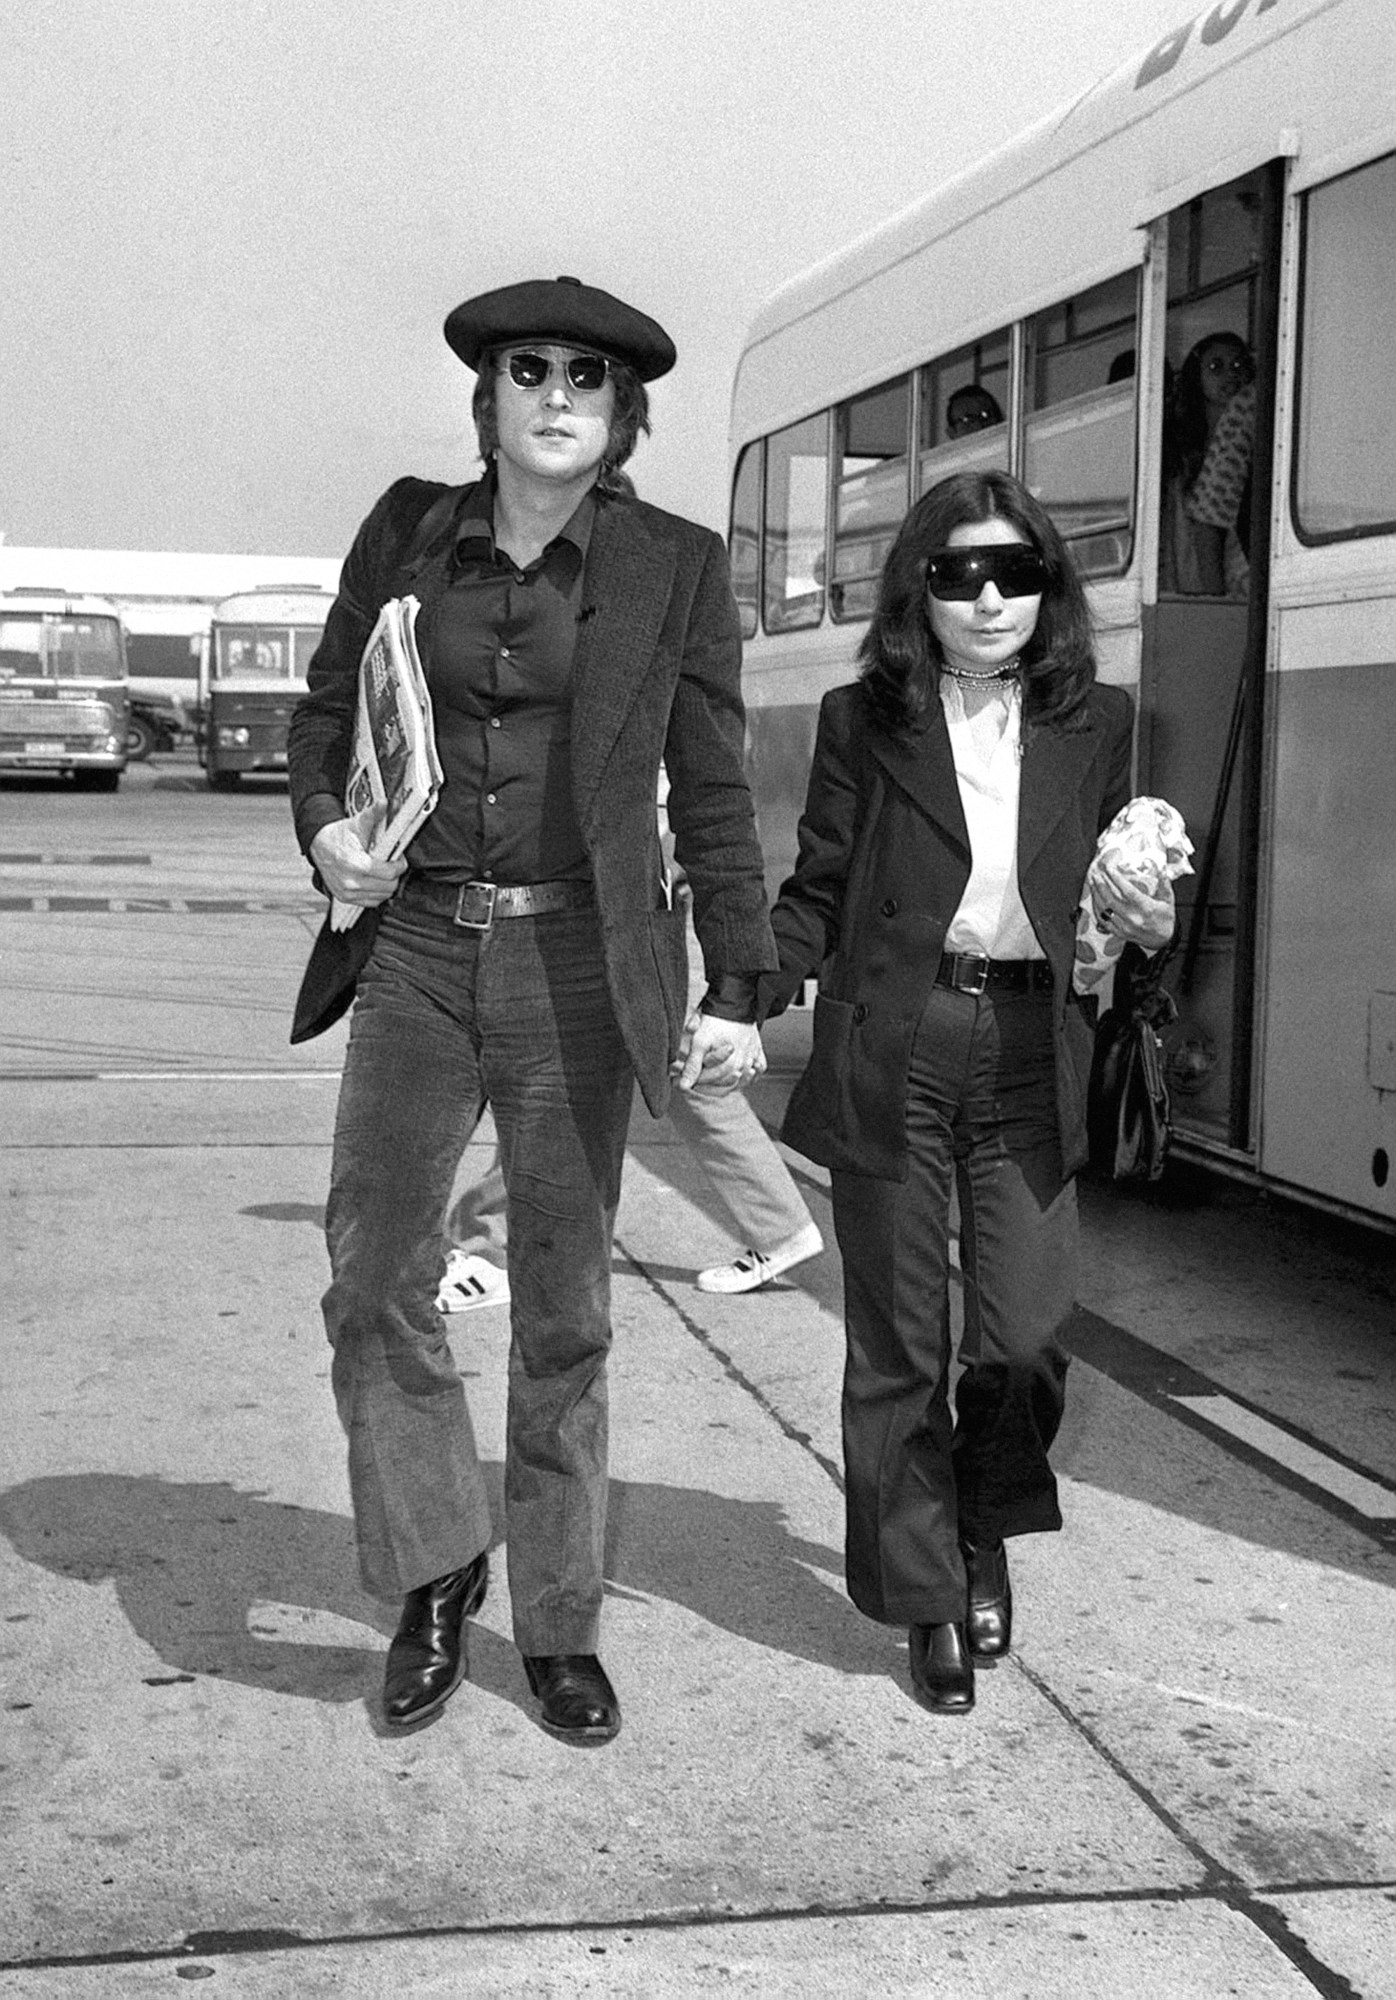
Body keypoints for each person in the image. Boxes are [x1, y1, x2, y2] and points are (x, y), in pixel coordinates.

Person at [286, 275, 776, 1744]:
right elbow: (324, 712)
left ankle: (559, 1622)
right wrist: (326, 832)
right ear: (487, 399)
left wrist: (742, 981)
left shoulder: (676, 567)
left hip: (580, 965)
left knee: (564, 1314)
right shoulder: (405, 531)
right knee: (375, 1275)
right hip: (421, 949)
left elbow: (716, 782)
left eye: (587, 376)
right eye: (527, 370)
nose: (557, 392)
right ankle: (439, 1570)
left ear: (624, 414)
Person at [756, 470, 1174, 1715]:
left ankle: (981, 1517)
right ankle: (929, 1593)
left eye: (1013, 572)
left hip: (1029, 1034)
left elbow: (1116, 888)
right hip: (899, 1030)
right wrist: (743, 992)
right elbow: (819, 883)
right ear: (917, 591)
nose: (987, 598)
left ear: (1048, 589)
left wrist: (1145, 918)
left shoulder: (1099, 720)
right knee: (899, 1345)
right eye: (956, 575)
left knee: (1024, 1341)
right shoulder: (861, 717)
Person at [1162, 332, 1256, 596]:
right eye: (1216, 367)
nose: (1230, 375)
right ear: (1197, 377)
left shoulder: (1255, 439)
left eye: (1238, 366)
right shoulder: (1179, 450)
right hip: (1194, 583)